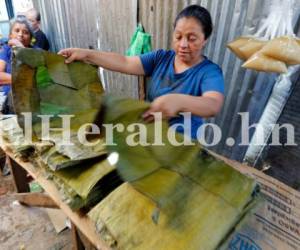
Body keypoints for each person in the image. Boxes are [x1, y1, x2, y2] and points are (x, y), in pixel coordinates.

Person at [59, 5, 224, 140]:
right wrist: (87, 54)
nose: (183, 44)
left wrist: (179, 101)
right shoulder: (161, 58)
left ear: (205, 39)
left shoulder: (209, 72)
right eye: (178, 36)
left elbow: (213, 104)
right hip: (149, 136)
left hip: (181, 145)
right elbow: (125, 62)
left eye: (192, 38)